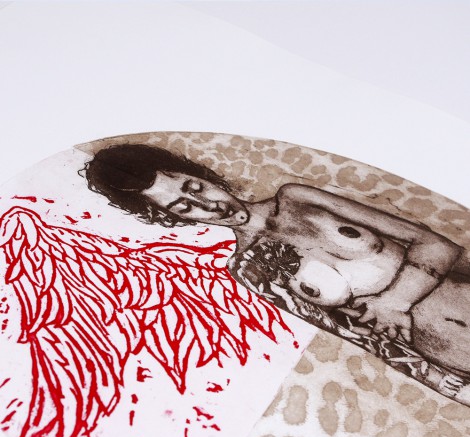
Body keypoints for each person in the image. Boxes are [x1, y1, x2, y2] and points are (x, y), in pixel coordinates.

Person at [85, 143, 470, 403]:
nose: (208, 206)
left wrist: (395, 302)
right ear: (176, 218)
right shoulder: (249, 269)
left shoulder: (297, 198)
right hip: (456, 360)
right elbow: (357, 333)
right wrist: (441, 383)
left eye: (195, 187)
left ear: (205, 177)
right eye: (185, 207)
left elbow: (438, 245)